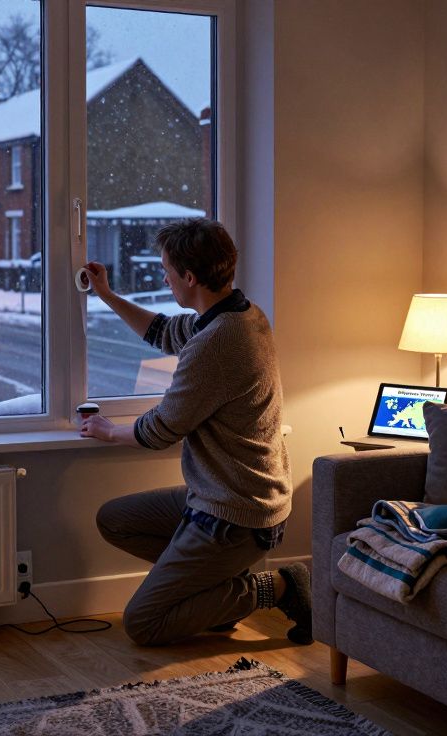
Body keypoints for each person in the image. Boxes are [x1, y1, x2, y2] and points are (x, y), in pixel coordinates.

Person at [80, 217, 311, 646]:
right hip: (215, 497)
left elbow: (161, 429)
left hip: (236, 513)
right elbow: (165, 332)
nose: (163, 278)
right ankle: (209, 594)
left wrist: (109, 431)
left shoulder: (219, 342)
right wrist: (108, 296)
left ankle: (279, 586)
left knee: (144, 623)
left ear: (189, 276)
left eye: (167, 270)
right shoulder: (238, 311)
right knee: (114, 520)